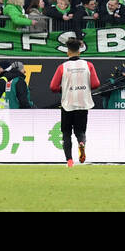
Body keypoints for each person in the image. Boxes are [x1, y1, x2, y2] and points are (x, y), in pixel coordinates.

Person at [48, 36, 99, 166]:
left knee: (66, 133)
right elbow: (95, 84)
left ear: (68, 51)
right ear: (79, 51)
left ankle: (69, 160)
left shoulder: (62, 67)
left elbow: (53, 87)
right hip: (83, 103)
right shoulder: (88, 65)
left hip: (68, 103)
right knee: (80, 131)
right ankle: (81, 143)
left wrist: (63, 88)